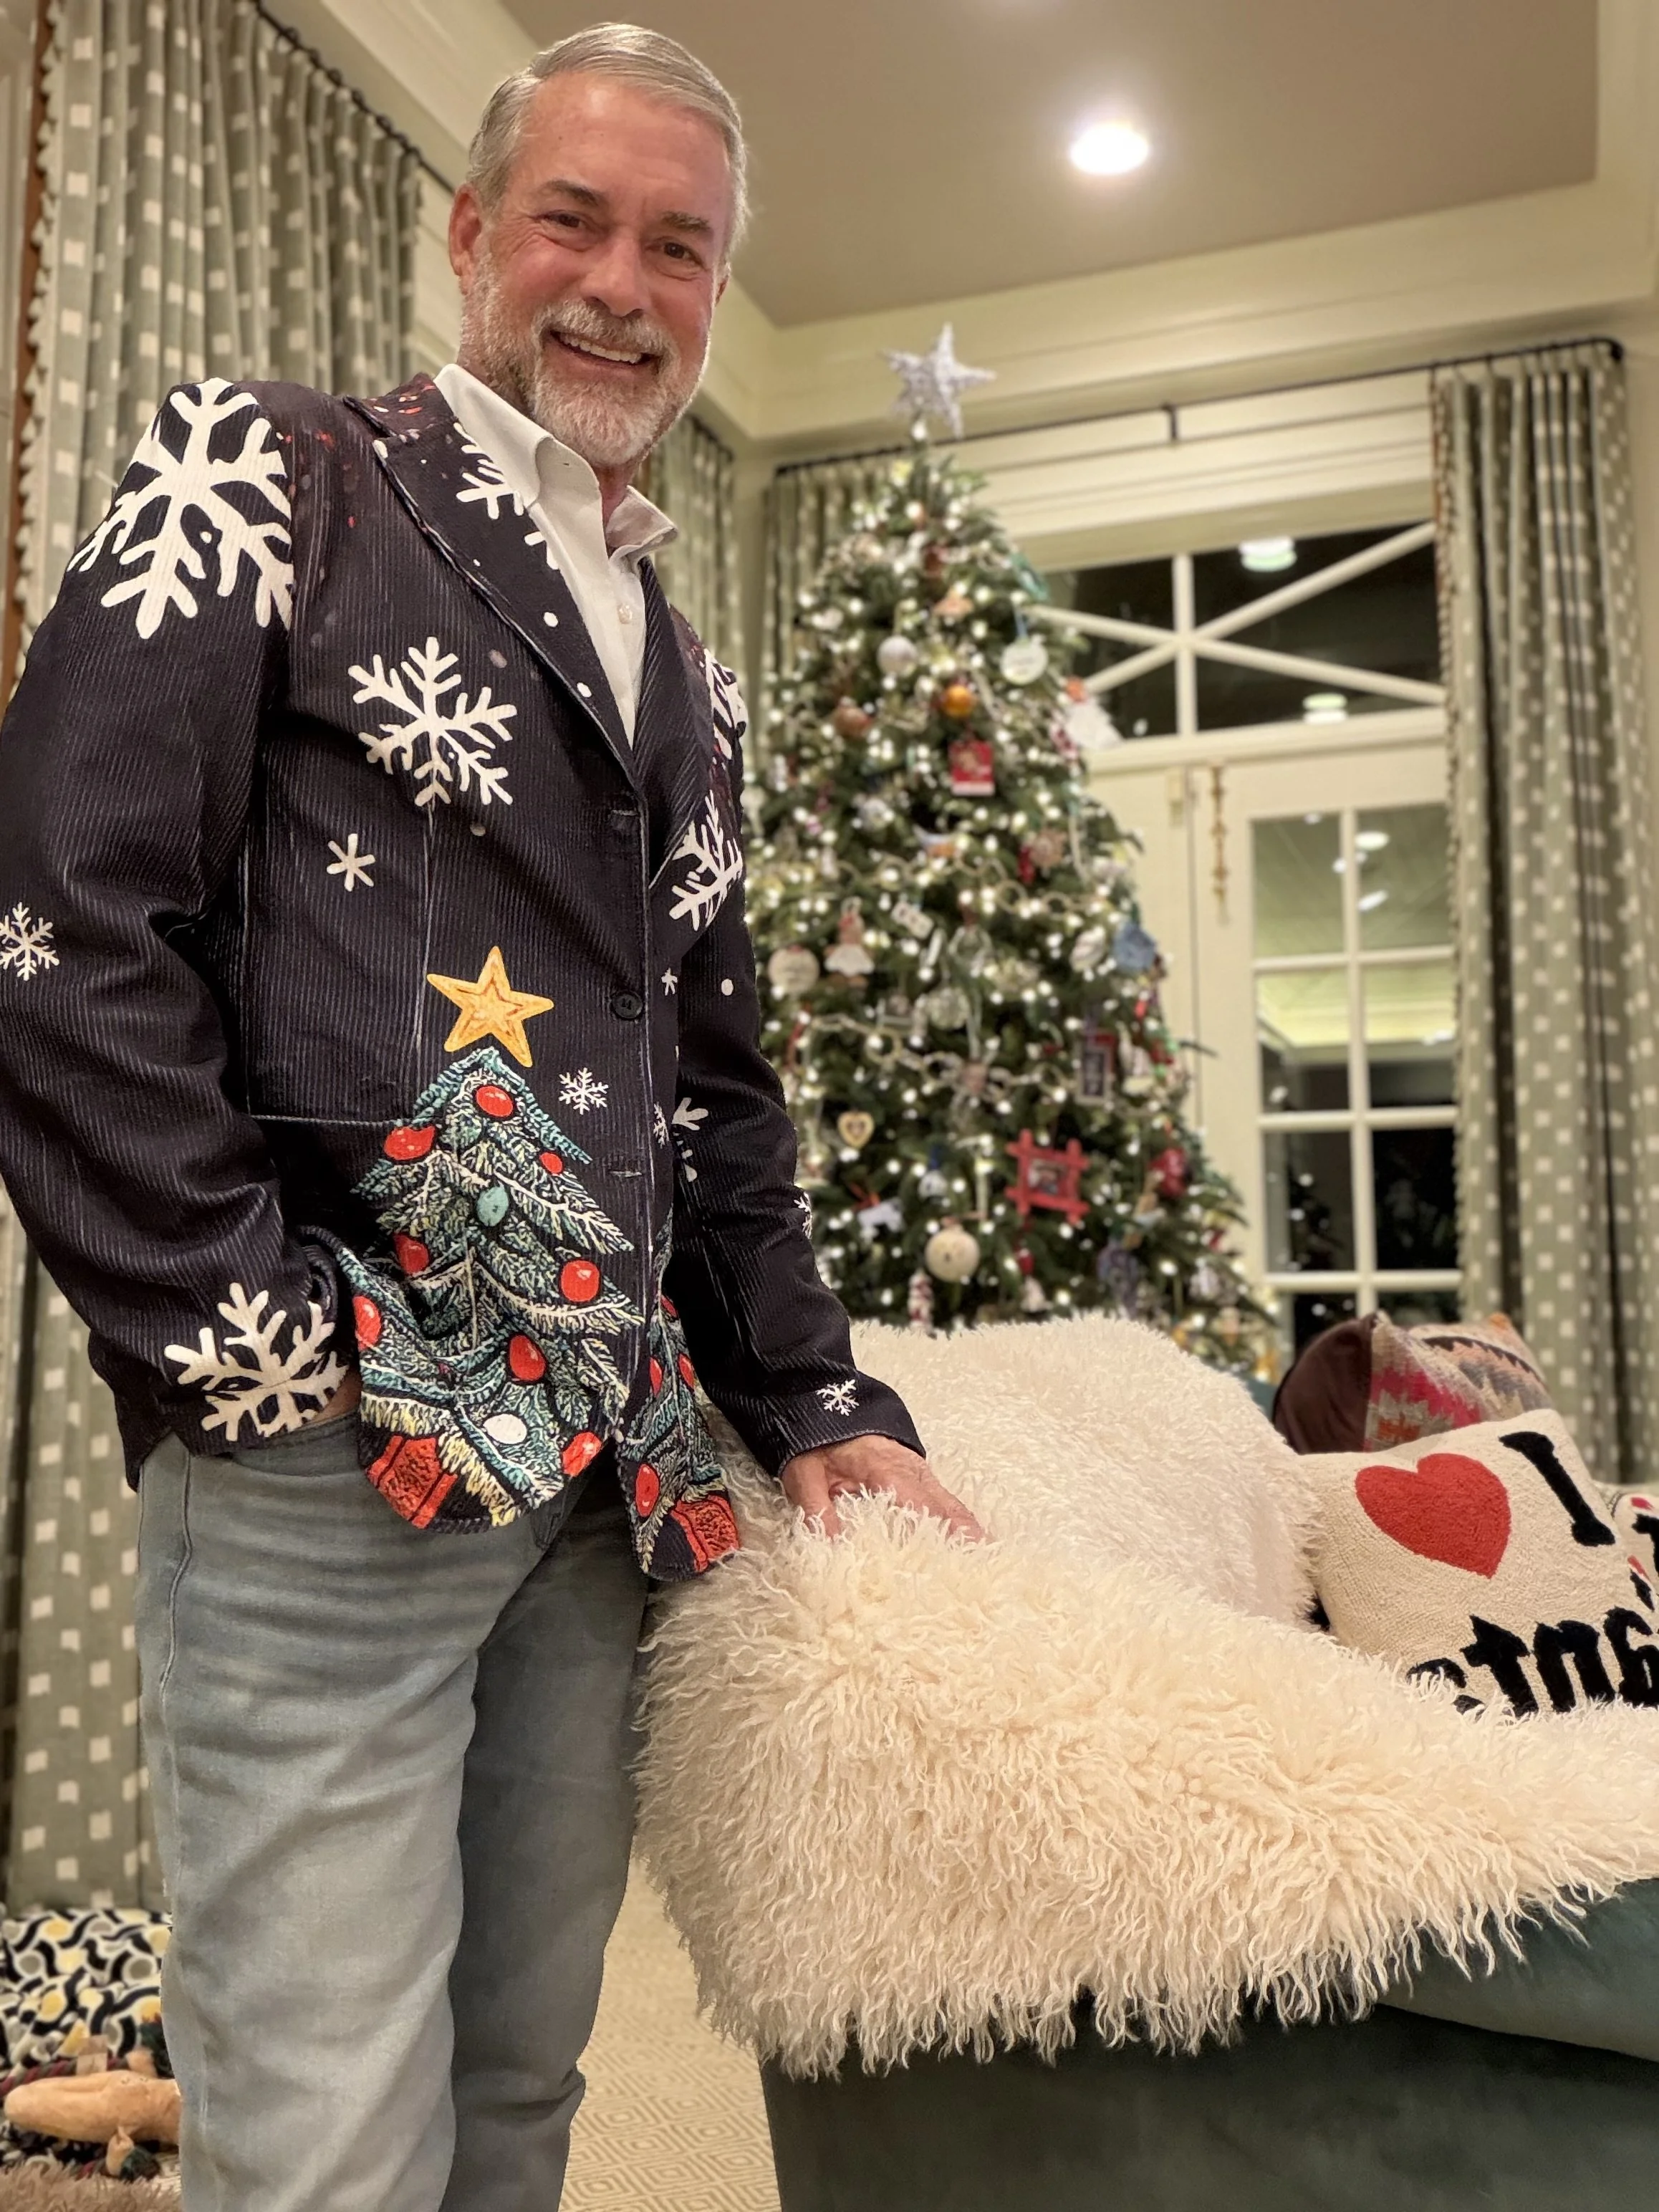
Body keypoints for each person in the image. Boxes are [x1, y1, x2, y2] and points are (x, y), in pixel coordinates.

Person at [0, 24, 980, 2209]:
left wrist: (818, 1391)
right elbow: (62, 922)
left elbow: (710, 1076)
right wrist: (257, 1354)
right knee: (325, 2134)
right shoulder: (271, 469)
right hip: (332, 1451)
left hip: (600, 1472)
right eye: (572, 217)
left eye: (678, 245)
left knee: (522, 2090)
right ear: (468, 234)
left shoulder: (684, 663)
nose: (621, 282)